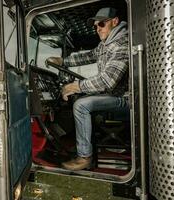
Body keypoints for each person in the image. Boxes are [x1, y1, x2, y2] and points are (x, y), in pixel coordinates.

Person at [46, 7, 129, 171]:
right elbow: (88, 56)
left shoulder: (122, 44)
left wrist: (75, 86)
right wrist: (63, 61)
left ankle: (84, 157)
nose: (98, 29)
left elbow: (107, 81)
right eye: (96, 26)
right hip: (114, 95)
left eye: (102, 24)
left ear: (115, 22)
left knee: (81, 105)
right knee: (82, 97)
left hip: (126, 99)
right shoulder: (106, 44)